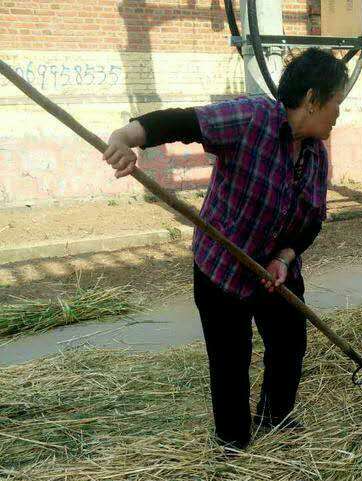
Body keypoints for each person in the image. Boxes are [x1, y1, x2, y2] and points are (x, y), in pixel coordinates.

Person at [103, 48, 347, 450]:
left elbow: (312, 221)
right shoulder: (252, 119)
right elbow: (183, 122)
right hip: (222, 268)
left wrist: (283, 259)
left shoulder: (315, 157)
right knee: (231, 358)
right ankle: (233, 444)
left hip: (273, 272)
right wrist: (123, 138)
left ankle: (274, 417)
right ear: (311, 99)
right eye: (337, 101)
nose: (339, 113)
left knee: (289, 343)